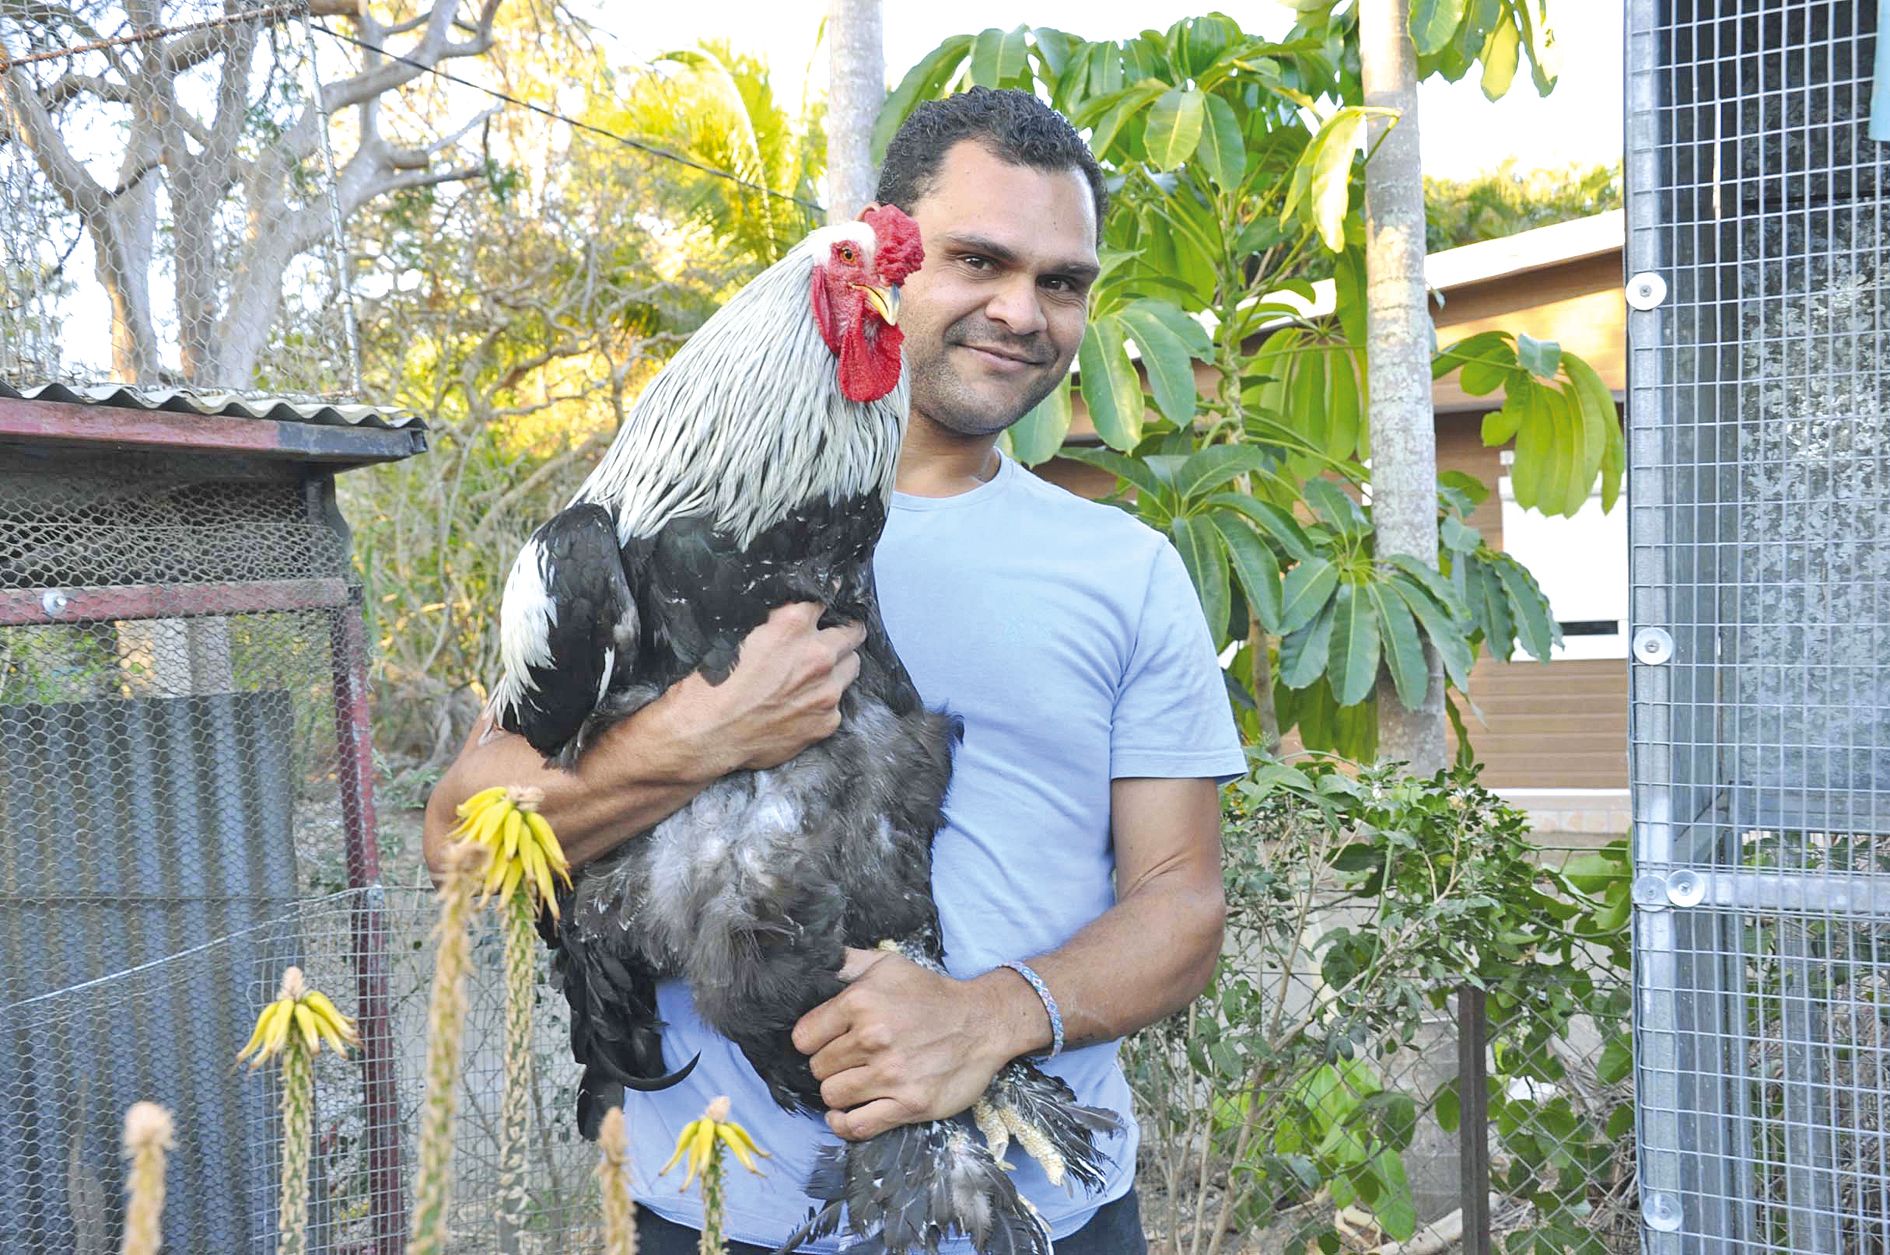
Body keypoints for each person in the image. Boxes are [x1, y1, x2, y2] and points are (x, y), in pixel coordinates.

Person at [424, 86, 1245, 1253]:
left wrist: (989, 1018)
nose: (1022, 310)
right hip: (720, 1215)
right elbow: (461, 834)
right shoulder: (643, 541)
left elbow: (1184, 902)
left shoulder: (1129, 567)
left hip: (1046, 1212)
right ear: (882, 264)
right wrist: (697, 739)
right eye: (978, 259)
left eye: (1061, 282)